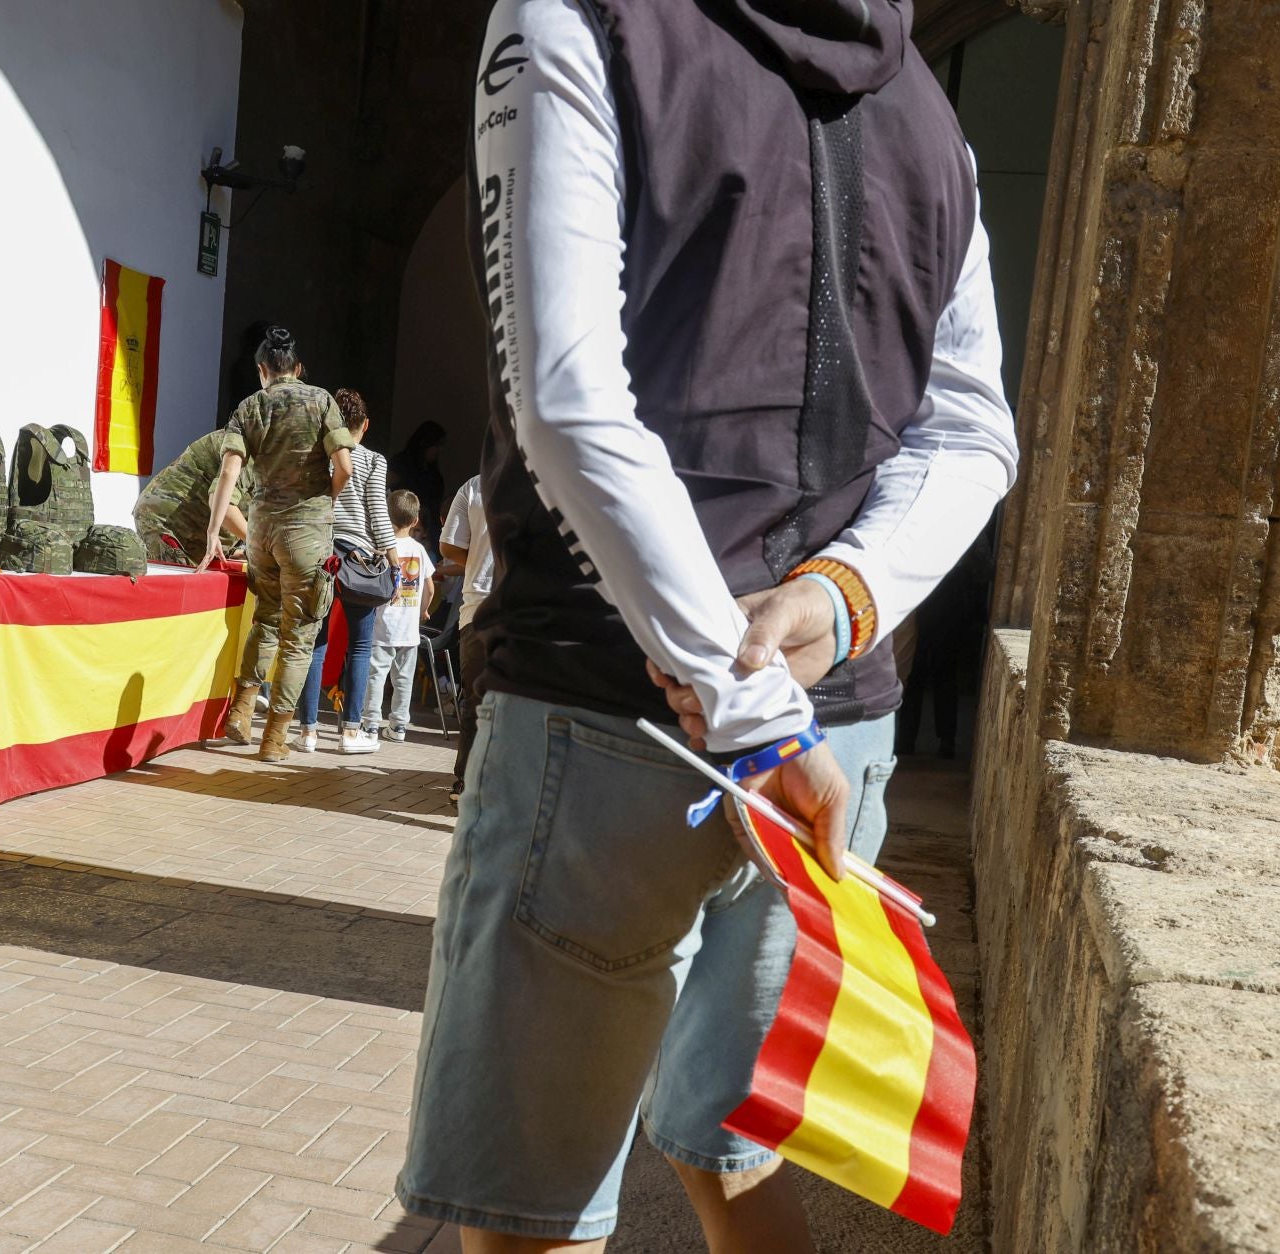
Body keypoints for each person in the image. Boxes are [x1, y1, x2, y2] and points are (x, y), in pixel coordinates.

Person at [395, 3, 1018, 1251]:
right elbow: (971, 431)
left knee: (528, 1212)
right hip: (844, 749)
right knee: (728, 1145)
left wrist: (750, 710)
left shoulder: (581, 19)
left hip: (622, 711)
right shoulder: (932, 116)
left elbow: (565, 401)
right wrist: (839, 605)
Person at [202, 327, 355, 764]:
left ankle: (241, 710)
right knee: (299, 636)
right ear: (298, 368)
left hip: (261, 530)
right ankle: (274, 739)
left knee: (265, 618)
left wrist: (215, 532)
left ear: (262, 370)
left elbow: (230, 473)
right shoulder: (321, 400)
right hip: (305, 533)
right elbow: (343, 464)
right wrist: (326, 497)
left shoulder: (250, 405)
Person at [297, 388, 398, 755]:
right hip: (359, 558)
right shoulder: (373, 460)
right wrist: (394, 560)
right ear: (365, 425)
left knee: (315, 643)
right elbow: (378, 513)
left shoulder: (317, 455)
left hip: (321, 553)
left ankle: (307, 731)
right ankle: (350, 732)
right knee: (359, 646)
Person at [361, 490, 434, 742]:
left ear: (385, 516)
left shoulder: (381, 548)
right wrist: (424, 609)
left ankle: (370, 724)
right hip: (409, 630)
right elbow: (430, 586)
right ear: (415, 521)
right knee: (404, 679)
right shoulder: (420, 550)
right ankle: (399, 726)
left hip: (382, 625)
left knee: (376, 676)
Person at [439, 473, 492, 803]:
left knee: (476, 699)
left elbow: (448, 545)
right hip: (530, 610)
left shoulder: (474, 485)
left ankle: (465, 783)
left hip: (479, 606)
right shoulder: (553, 476)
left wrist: (479, 562)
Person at [131, 428, 257, 566]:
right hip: (171, 525)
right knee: (179, 585)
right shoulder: (250, 447)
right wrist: (263, 548)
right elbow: (224, 506)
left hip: (199, 536)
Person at [387, 420, 448, 556]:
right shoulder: (402, 464)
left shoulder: (433, 473)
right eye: (436, 445)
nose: (439, 450)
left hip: (427, 530)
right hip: (403, 526)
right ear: (425, 443)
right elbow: (386, 488)